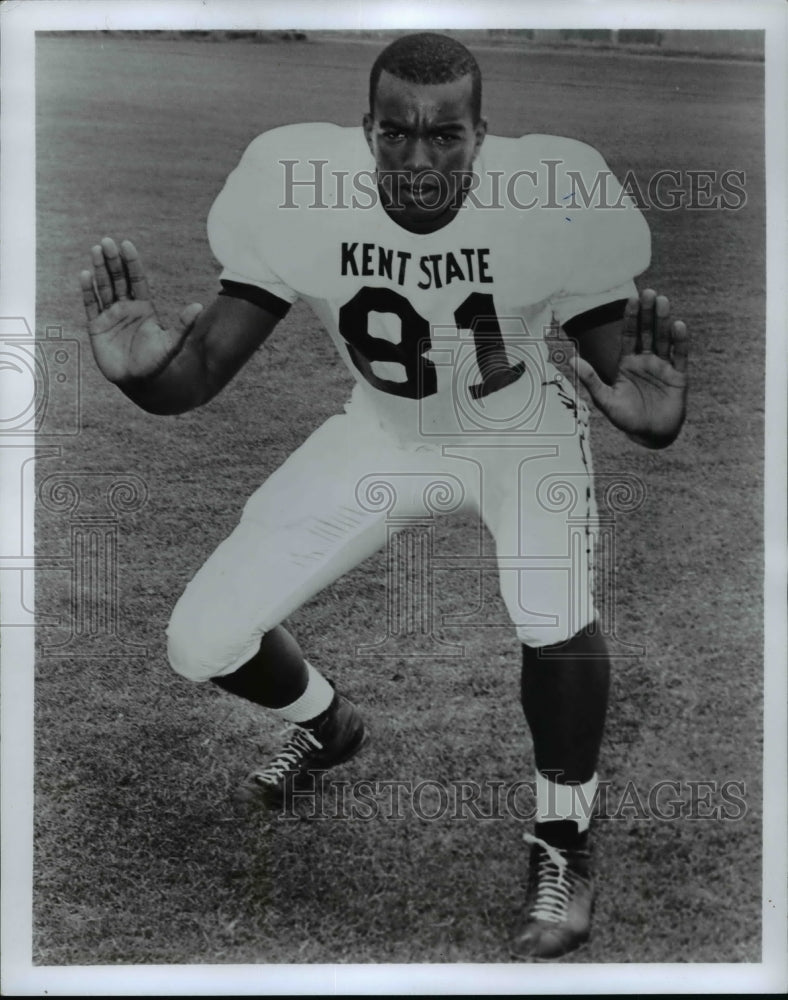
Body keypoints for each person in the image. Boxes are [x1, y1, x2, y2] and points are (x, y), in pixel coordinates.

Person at [80, 32, 688, 960]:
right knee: (198, 639)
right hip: (385, 429)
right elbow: (196, 372)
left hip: (516, 430)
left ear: (484, 135)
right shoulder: (297, 189)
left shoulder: (550, 200)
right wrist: (140, 376)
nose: (418, 158)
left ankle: (563, 839)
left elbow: (630, 389)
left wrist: (652, 421)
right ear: (365, 130)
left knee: (552, 609)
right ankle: (329, 725)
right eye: (395, 133)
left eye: (446, 136)